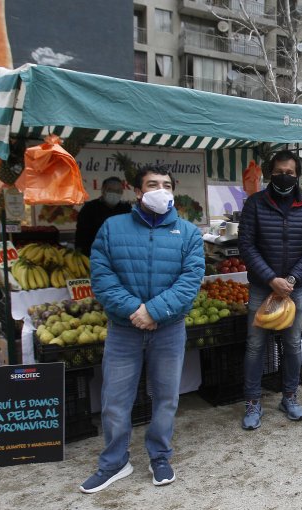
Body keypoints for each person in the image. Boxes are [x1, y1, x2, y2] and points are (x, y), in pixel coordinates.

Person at [80, 165, 204, 493]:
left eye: (166, 185)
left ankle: (160, 455)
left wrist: (154, 311)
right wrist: (135, 311)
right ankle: (114, 462)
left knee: (165, 397)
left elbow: (190, 280)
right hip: (124, 329)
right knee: (115, 399)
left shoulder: (189, 233)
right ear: (137, 191)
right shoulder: (112, 228)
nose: (160, 190)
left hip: (168, 329)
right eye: (152, 184)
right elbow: (102, 276)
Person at [238, 150, 302, 429]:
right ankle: (252, 401)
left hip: (293, 288)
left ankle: (290, 396)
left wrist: (294, 279)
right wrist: (271, 278)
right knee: (254, 346)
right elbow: (246, 246)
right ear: (269, 173)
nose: (284, 177)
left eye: (289, 172)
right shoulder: (254, 204)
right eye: (278, 172)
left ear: (297, 175)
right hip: (263, 287)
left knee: (292, 344)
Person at [75, 177, 131, 256]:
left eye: (118, 191)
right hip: (94, 254)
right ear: (103, 190)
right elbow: (81, 234)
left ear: (122, 192)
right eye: (111, 190)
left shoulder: (126, 208)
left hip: (120, 254)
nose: (114, 193)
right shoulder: (89, 208)